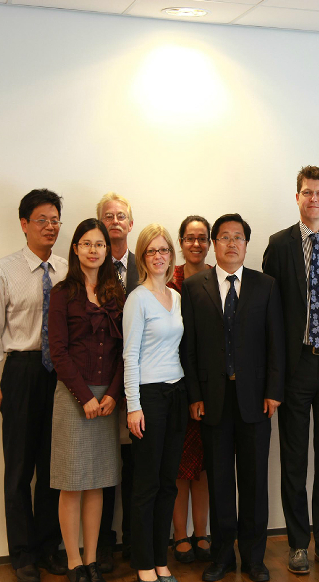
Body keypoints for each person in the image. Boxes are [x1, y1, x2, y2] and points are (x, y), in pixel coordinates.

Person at [262, 166, 319, 574]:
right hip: (296, 367)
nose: (313, 199)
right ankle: (298, 544)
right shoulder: (278, 244)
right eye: (306, 192)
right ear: (297, 197)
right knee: (294, 460)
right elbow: (269, 312)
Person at [181, 214, 285, 582]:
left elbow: (276, 343)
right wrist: (194, 394)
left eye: (237, 237)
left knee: (255, 483)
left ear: (246, 244)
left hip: (255, 399)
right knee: (220, 482)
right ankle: (222, 556)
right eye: (224, 237)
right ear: (214, 243)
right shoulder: (193, 287)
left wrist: (274, 392)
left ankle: (254, 559)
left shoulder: (265, 285)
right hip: (212, 400)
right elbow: (189, 347)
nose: (231, 243)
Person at [0, 189, 68, 582]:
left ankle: (48, 547)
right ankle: (22, 554)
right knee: (18, 469)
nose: (50, 227)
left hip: (59, 375)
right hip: (21, 372)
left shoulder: (67, 269)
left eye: (55, 220)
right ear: (24, 224)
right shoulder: (4, 270)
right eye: (42, 220)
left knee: (53, 467)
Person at [48, 219, 125, 582]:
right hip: (72, 396)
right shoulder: (63, 293)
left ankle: (92, 560)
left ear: (108, 251)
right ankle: (73, 562)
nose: (94, 250)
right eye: (87, 243)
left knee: (97, 481)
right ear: (76, 248)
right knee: (72, 482)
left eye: (100, 244)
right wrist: (84, 397)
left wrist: (112, 394)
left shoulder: (116, 293)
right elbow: (58, 352)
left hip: (107, 398)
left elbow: (126, 350)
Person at [123, 224, 188, 582]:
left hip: (176, 393)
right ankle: (144, 564)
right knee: (146, 485)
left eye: (164, 250)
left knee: (167, 484)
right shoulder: (138, 298)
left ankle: (161, 560)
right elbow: (129, 355)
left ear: (171, 255)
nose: (159, 256)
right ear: (143, 257)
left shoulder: (175, 297)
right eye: (152, 251)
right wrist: (133, 405)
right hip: (148, 398)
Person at [167, 216, 213, 564]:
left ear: (209, 242)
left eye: (202, 238)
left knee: (205, 466)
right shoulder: (170, 280)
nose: (196, 244)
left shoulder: (218, 277)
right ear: (180, 242)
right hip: (177, 383)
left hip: (212, 385)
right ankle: (179, 535)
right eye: (189, 238)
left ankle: (202, 532)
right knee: (179, 465)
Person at [96, 191, 138, 569]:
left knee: (137, 465)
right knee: (106, 465)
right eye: (107, 216)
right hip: (104, 381)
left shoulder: (147, 264)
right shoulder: (92, 268)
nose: (114, 221)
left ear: (131, 223)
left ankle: (134, 540)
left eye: (120, 215)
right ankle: (104, 544)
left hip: (141, 381)